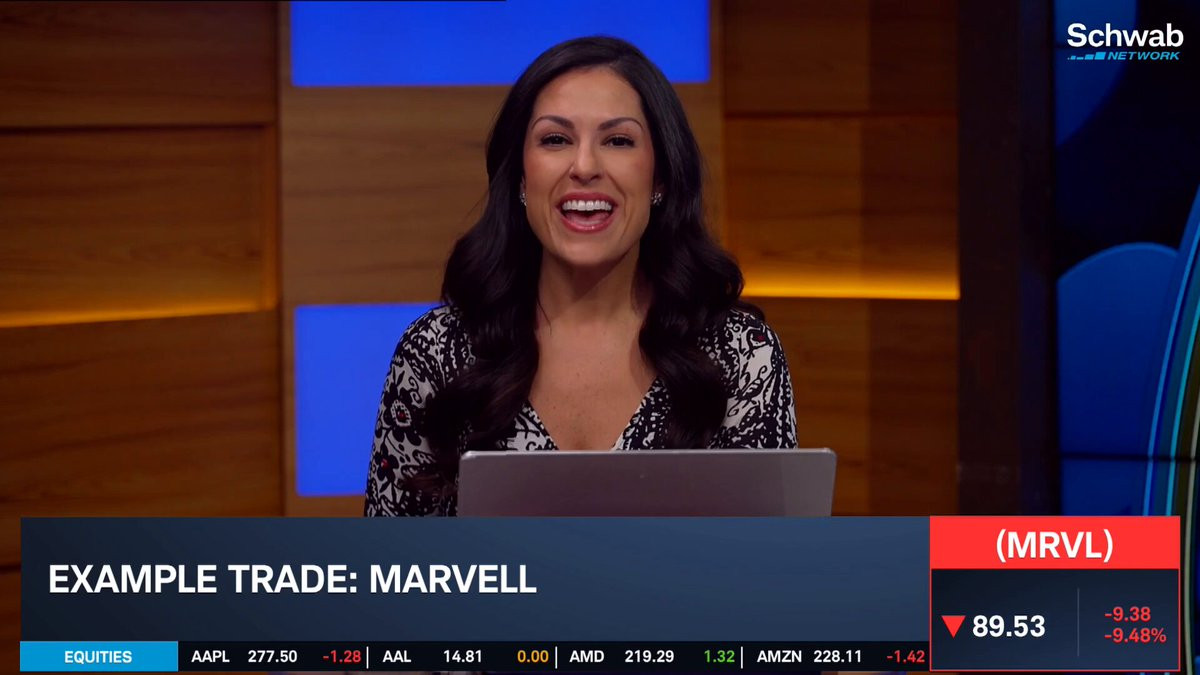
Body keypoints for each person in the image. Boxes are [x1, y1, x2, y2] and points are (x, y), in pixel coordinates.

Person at [365, 36, 797, 517]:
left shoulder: (741, 355)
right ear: (521, 177)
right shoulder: (436, 353)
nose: (585, 167)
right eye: (555, 140)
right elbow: (392, 559)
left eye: (618, 141)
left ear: (659, 177)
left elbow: (766, 558)